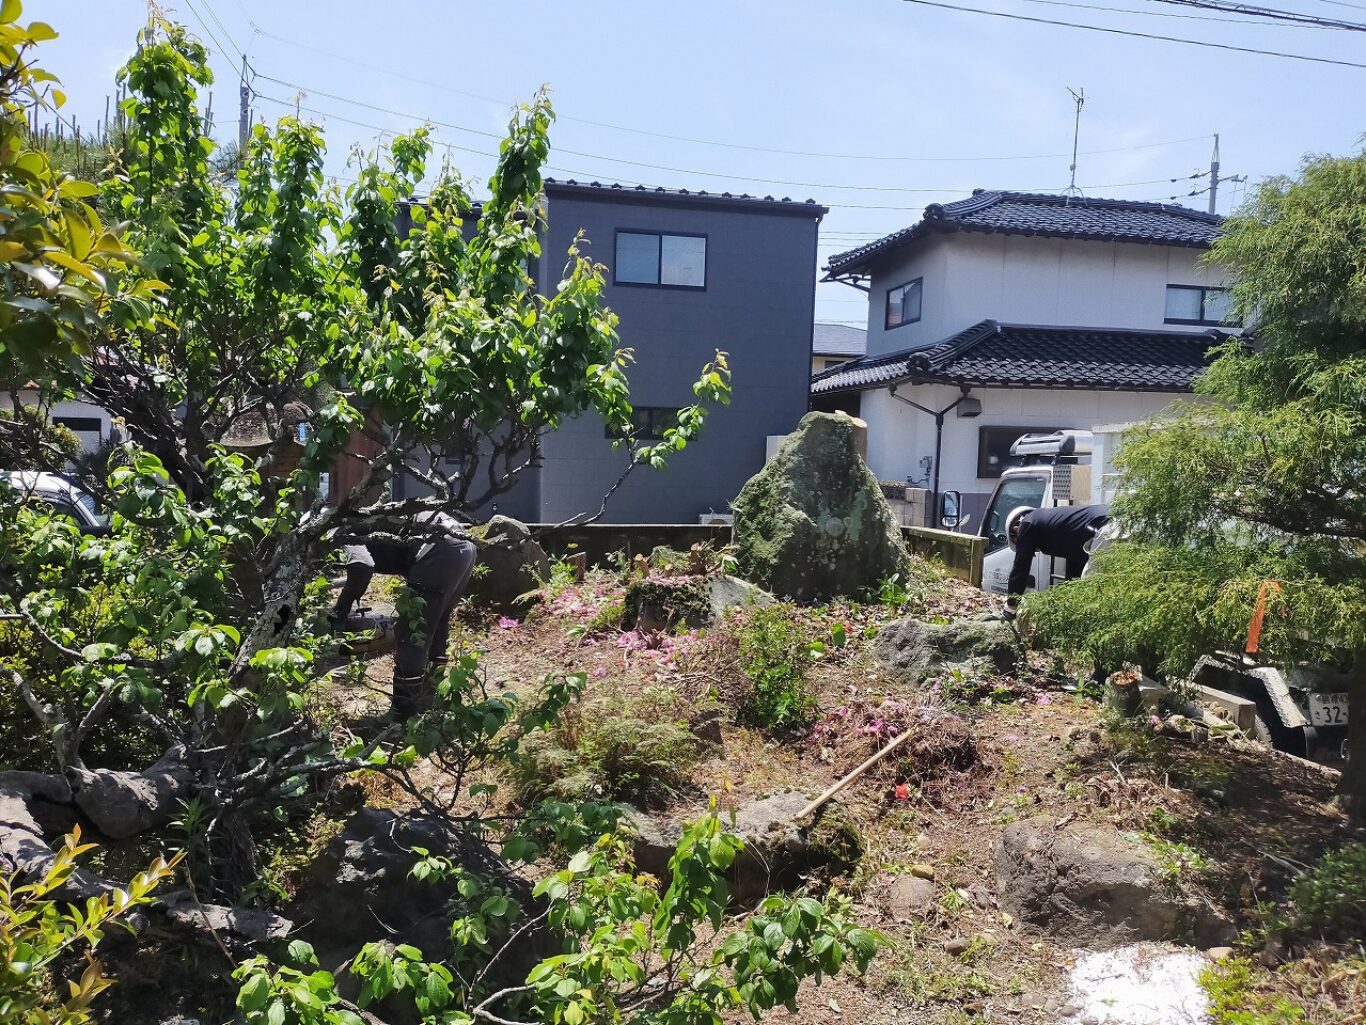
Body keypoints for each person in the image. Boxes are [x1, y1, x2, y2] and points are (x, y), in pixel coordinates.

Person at [332, 511, 478, 719]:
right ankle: (429, 704)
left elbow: (362, 567)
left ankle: (402, 716)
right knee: (436, 627)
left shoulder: (339, 530)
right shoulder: (364, 518)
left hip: (439, 547)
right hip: (462, 544)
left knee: (412, 633)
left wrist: (339, 612)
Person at [1003, 503, 1110, 613]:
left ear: (1015, 530)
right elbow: (1075, 569)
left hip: (1103, 528)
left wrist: (1011, 606)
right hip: (1115, 517)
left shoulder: (1028, 523)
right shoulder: (1056, 523)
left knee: (1092, 590)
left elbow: (1020, 569)